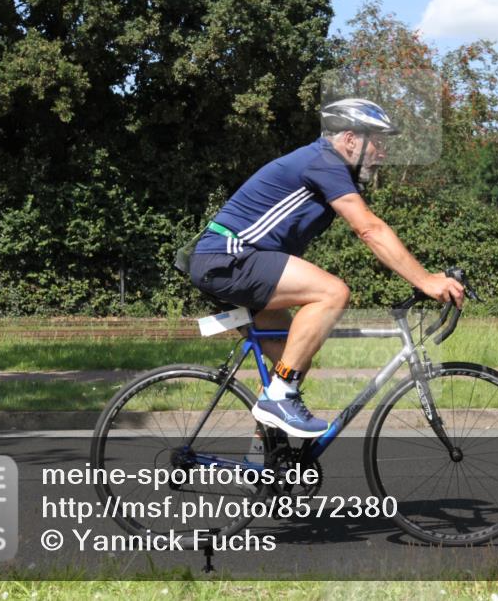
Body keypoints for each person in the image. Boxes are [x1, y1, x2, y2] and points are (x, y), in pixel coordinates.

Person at [187, 98, 465, 437]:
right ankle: (278, 400)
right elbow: (369, 229)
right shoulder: (324, 161)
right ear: (349, 139)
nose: (383, 152)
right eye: (378, 141)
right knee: (332, 292)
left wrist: (427, 276)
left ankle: (267, 467)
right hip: (229, 257)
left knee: (292, 363)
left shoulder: (326, 164)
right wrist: (425, 281)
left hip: (235, 261)